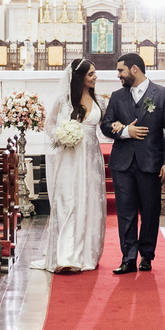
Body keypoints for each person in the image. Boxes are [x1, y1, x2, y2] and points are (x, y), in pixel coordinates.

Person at [100, 53, 165, 275]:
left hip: (151, 162)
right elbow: (106, 127)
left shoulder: (163, 95)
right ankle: (128, 257)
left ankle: (146, 255)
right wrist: (126, 131)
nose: (118, 75)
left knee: (150, 211)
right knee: (125, 212)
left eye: (121, 71)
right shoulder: (117, 97)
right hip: (122, 164)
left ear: (134, 69)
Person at [32, 59, 108, 273]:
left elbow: (106, 128)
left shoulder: (100, 102)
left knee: (90, 202)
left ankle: (85, 253)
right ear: (80, 77)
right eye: (91, 74)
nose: (95, 77)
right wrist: (63, 136)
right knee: (67, 201)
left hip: (91, 159)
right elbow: (49, 125)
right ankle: (65, 255)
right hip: (69, 158)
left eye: (95, 73)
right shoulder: (64, 101)